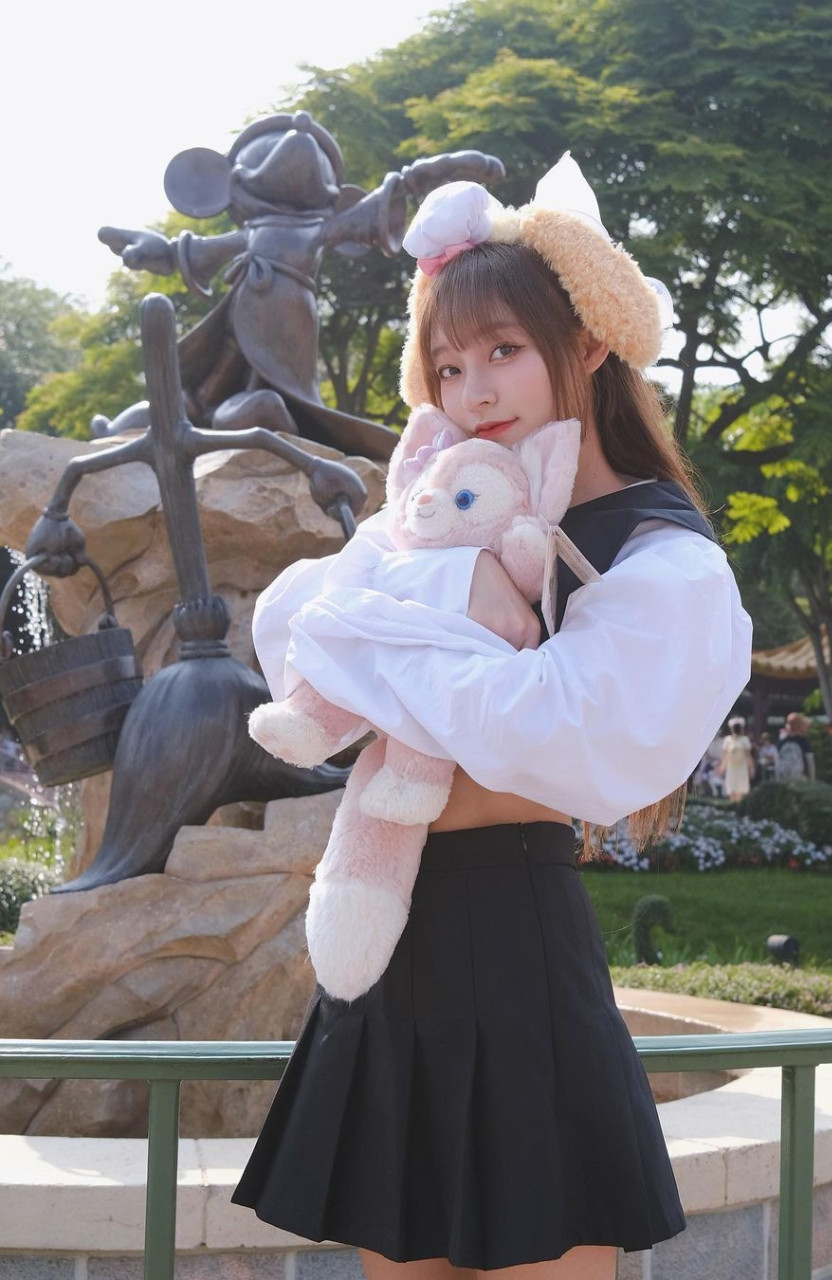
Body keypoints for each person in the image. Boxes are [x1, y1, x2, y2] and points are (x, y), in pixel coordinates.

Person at [232, 154, 752, 1280]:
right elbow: (292, 628)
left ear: (589, 343)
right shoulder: (439, 520)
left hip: (517, 928)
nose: (475, 391)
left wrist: (402, 627)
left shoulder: (659, 553)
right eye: (450, 366)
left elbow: (558, 729)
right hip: (396, 936)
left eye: (505, 350)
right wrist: (449, 585)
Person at [717, 715, 754, 801]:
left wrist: (751, 768)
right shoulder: (727, 740)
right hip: (731, 768)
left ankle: (739, 806)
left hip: (742, 768)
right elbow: (725, 756)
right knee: (731, 790)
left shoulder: (745, 740)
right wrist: (722, 768)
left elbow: (748, 755)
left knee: (740, 791)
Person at [776, 711, 815, 781]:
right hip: (784, 778)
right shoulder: (782, 740)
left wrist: (812, 779)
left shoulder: (803, 741)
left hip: (798, 779)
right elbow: (777, 759)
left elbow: (809, 761)